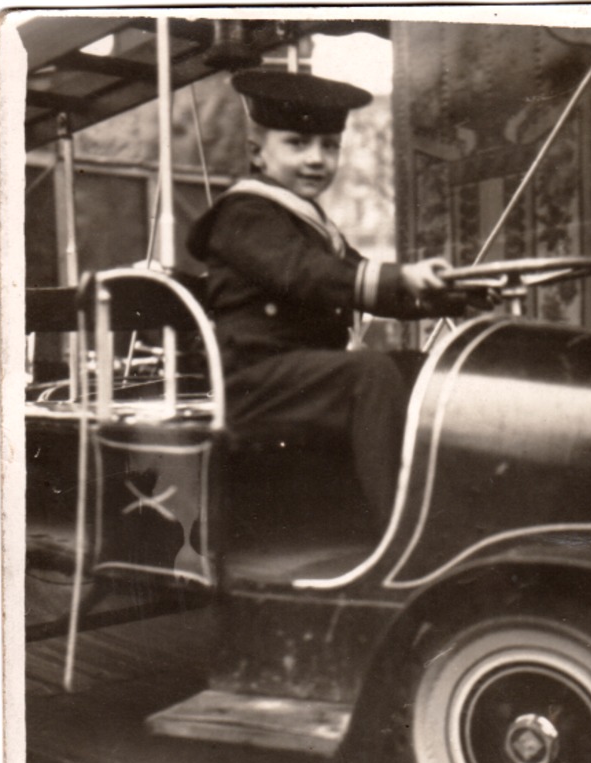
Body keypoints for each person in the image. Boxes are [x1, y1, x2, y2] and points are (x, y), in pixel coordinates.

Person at [187, 68, 464, 529]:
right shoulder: (244, 214)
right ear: (258, 153)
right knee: (370, 374)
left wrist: (451, 297)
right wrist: (402, 277)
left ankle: (446, 506)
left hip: (300, 375)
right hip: (253, 379)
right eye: (298, 144)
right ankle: (401, 530)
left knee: (421, 369)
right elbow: (310, 275)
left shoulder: (307, 221)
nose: (317, 159)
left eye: (330, 146)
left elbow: (356, 276)